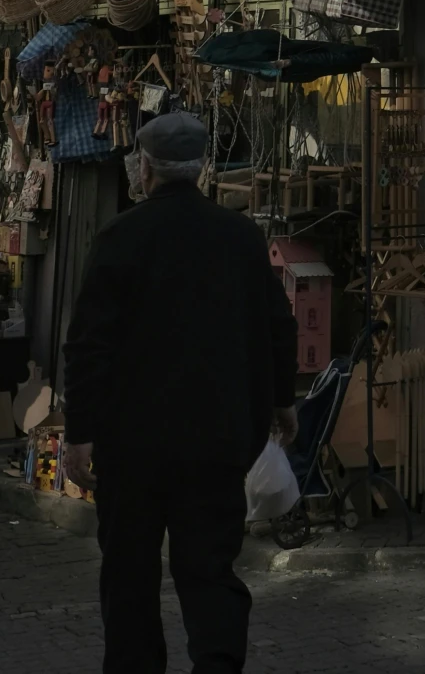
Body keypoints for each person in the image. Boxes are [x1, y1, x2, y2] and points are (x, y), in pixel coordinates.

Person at [62, 112, 298, 674]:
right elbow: (278, 324)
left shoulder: (122, 235)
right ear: (202, 169)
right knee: (210, 569)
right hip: (216, 439)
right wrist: (282, 400)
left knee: (129, 574)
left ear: (145, 169)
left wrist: (80, 434)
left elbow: (88, 343)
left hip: (133, 444)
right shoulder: (240, 236)